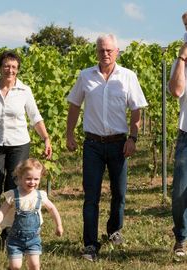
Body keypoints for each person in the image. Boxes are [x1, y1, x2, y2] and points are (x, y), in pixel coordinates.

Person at [66, 34, 148, 261]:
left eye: (109, 50)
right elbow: (74, 105)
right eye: (101, 50)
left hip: (118, 143)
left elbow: (136, 110)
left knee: (119, 193)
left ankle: (114, 230)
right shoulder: (85, 76)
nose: (105, 54)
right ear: (96, 52)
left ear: (117, 51)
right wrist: (69, 134)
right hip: (92, 144)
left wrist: (133, 138)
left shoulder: (128, 77)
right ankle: (90, 244)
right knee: (91, 196)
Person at [0, 51, 52, 243]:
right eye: (6, 66)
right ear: (0, 68)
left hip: (19, 144)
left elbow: (35, 118)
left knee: (13, 186)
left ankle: (8, 230)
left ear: (17, 70)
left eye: (14, 67)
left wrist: (46, 139)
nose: (10, 70)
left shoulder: (24, 91)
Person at [0, 158, 63, 270]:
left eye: (36, 179)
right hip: (15, 239)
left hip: (34, 238)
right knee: (15, 266)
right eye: (28, 179)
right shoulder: (13, 195)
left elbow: (52, 209)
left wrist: (59, 225)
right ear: (20, 177)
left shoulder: (40, 195)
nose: (32, 182)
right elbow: (2, 211)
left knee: (35, 265)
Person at [169, 34, 187, 256]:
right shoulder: (181, 64)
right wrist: (182, 59)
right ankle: (181, 238)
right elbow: (176, 91)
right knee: (180, 193)